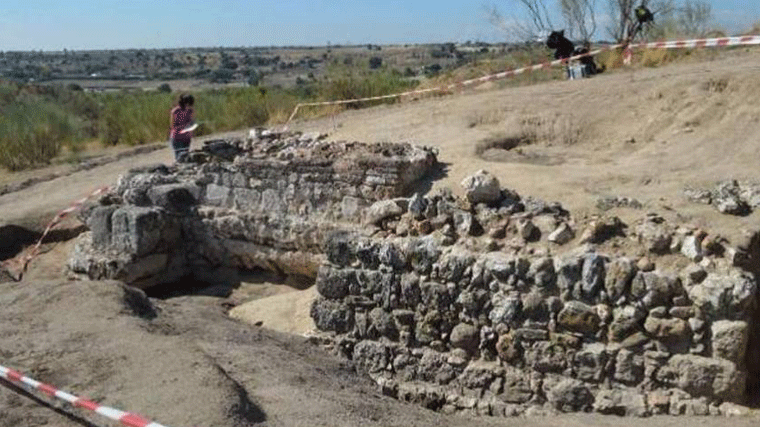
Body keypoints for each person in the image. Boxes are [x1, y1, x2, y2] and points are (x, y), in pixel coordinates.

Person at [169, 94, 195, 162]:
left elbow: (191, 122)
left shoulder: (190, 111)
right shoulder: (175, 111)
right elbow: (173, 125)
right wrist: (185, 127)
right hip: (177, 137)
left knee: (186, 157)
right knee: (179, 157)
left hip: (186, 137)